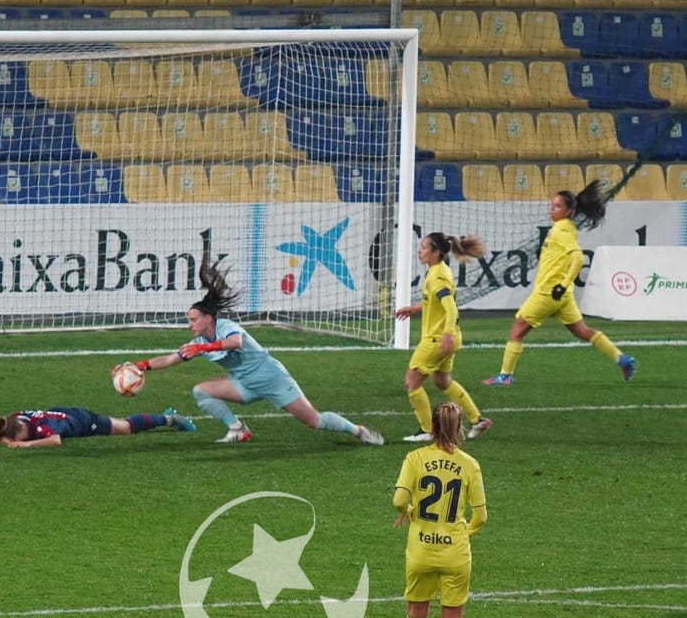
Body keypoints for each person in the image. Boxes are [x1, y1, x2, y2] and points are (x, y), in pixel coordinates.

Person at [131, 262, 384, 446]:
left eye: (194, 319)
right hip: (245, 384)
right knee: (201, 391)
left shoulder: (226, 328)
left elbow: (235, 342)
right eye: (189, 320)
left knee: (313, 420)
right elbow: (170, 359)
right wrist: (140, 365)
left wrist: (204, 348)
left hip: (272, 378)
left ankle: (358, 431)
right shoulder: (198, 341)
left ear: (209, 318)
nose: (191, 324)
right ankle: (237, 429)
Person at [482, 185, 636, 386]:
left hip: (549, 292)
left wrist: (562, 285)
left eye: (557, 206)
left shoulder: (562, 229)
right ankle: (621, 358)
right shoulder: (564, 228)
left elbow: (578, 258)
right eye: (551, 205)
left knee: (518, 327)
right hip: (562, 297)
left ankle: (505, 376)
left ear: (569, 211)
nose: (551, 209)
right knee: (583, 331)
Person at [393, 402, 486, 618]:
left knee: (416, 613)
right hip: (454, 553)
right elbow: (480, 517)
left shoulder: (415, 458)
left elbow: (398, 500)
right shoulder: (470, 464)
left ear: (431, 427)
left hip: (421, 549)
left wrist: (409, 512)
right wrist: (461, 533)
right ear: (458, 429)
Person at [395, 231, 492, 443]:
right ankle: (477, 419)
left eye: (423, 247)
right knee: (442, 381)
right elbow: (438, 302)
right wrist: (416, 308)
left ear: (436, 251)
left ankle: (427, 430)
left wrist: (446, 333)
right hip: (450, 338)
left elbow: (450, 307)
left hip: (438, 339)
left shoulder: (437, 276)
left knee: (411, 382)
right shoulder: (439, 270)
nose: (419, 251)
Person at [0, 407, 195, 448]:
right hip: (64, 412)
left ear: (21, 433)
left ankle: (168, 419)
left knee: (127, 427)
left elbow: (55, 441)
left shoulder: (43, 428)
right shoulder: (14, 420)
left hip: (85, 420)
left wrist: (26, 445)